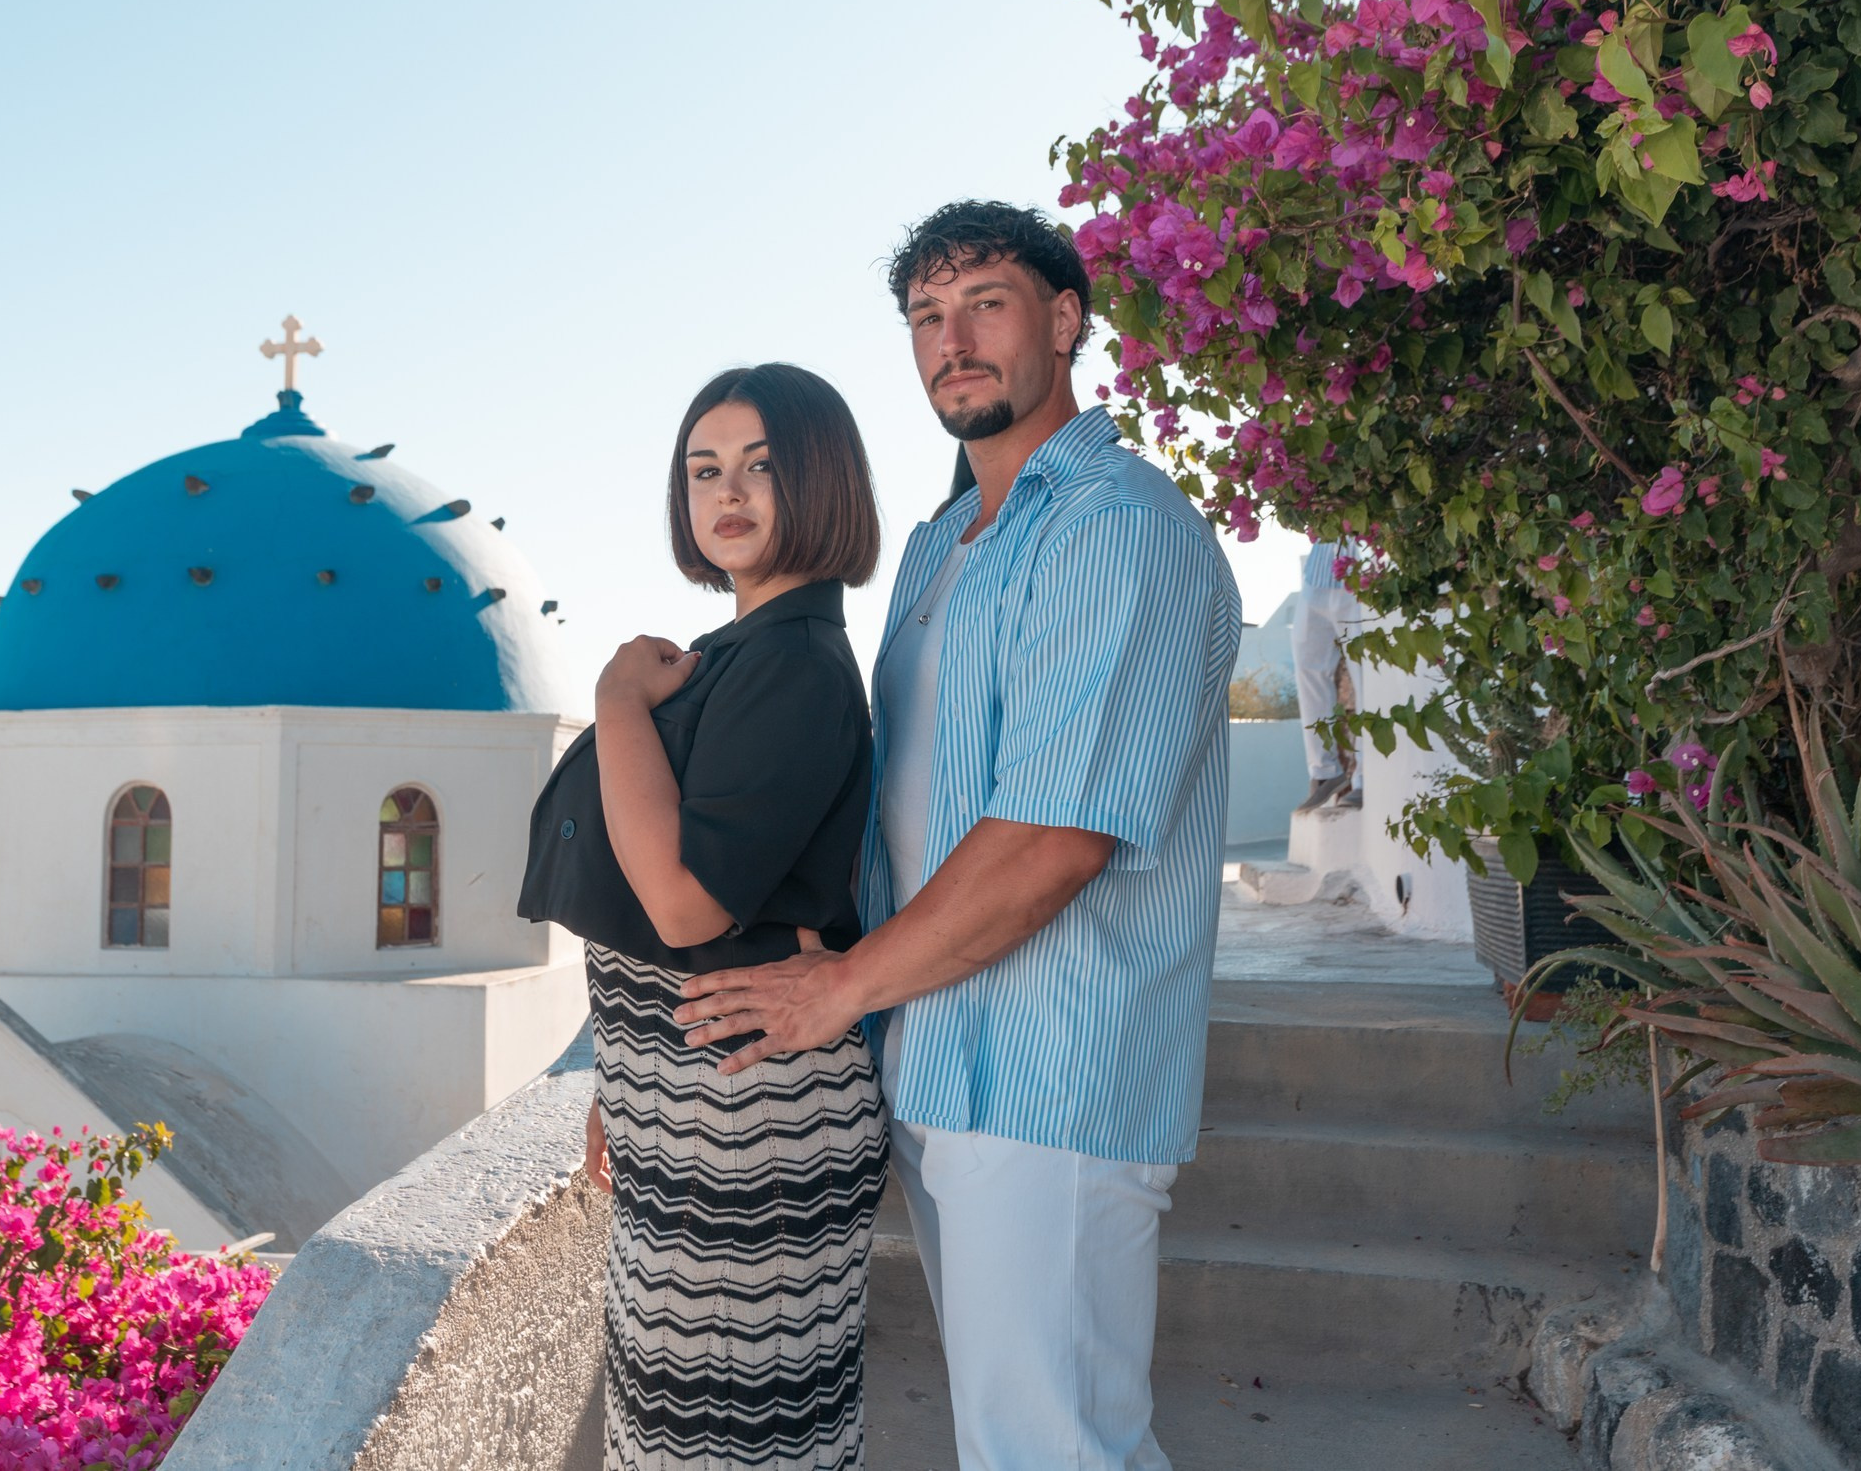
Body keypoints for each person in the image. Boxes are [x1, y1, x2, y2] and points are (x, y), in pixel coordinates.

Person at [674, 202, 1241, 1471]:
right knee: (1014, 1444)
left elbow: (1052, 839)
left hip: (1051, 1081)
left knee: (1055, 1450)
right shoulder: (944, 547)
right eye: (925, 317)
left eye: (984, 301)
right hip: (936, 1058)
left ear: (1062, 318)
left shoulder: (1116, 530)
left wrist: (840, 991)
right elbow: (889, 822)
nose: (951, 340)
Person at [516, 362, 889, 1471]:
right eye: (705, 468)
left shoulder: (792, 666)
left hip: (749, 1129)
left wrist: (616, 703)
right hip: (687, 1114)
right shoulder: (737, 655)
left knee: (720, 1448)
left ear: (823, 480)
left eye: (764, 466)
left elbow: (683, 904)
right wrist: (621, 1084)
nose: (729, 493)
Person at [1291, 535, 1369, 813]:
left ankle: (1364, 779)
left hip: (1362, 568)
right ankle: (1324, 771)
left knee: (1365, 676)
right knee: (1307, 667)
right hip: (1319, 571)